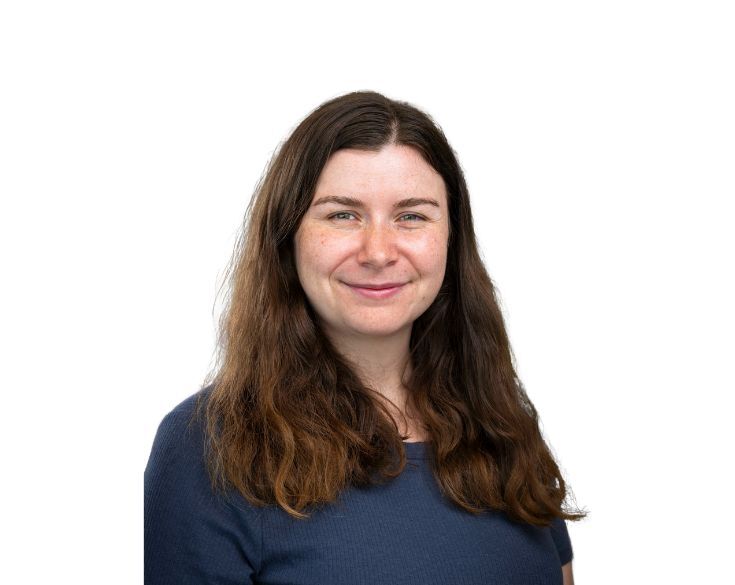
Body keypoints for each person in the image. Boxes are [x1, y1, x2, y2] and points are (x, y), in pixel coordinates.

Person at [144, 90, 586, 584]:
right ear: (287, 236)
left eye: (411, 215)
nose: (378, 251)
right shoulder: (206, 449)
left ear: (450, 239)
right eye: (343, 215)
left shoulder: (504, 425)